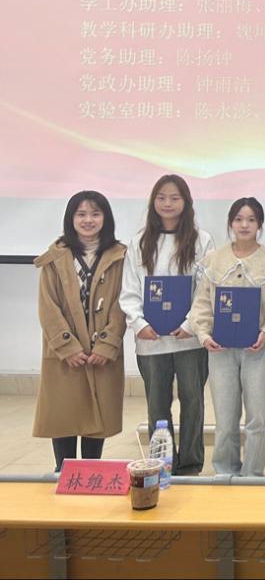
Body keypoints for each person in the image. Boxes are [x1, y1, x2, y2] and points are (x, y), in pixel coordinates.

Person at [120, 175, 215, 475]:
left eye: (175, 198)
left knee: (192, 402)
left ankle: (190, 465)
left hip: (189, 339)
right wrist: (139, 323)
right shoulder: (139, 242)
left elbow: (206, 289)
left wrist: (190, 323)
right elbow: (129, 290)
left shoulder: (202, 240)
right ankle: (161, 465)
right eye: (161, 197)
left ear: (186, 202)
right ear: (153, 202)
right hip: (151, 341)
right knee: (157, 407)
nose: (168, 203)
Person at [33, 191, 126, 471]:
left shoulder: (120, 256)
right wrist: (68, 347)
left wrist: (107, 344)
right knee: (63, 415)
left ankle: (91, 473)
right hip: (65, 355)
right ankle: (63, 472)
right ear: (70, 218)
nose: (88, 220)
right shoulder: (55, 257)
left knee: (97, 416)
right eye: (81, 214)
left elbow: (122, 303)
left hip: (100, 353)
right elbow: (48, 307)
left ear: (106, 218)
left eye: (95, 214)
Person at [188, 197, 265, 477]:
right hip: (221, 350)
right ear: (230, 223)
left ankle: (253, 476)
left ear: (260, 224)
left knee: (257, 419)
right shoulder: (214, 260)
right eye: (239, 219)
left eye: (251, 219)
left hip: (260, 350)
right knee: (225, 419)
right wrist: (204, 335)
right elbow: (201, 304)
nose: (244, 225)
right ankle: (225, 473)